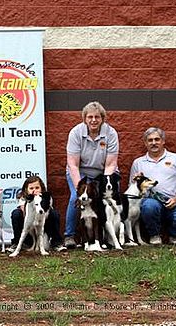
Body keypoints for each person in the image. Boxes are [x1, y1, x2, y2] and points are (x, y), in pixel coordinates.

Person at [63, 101, 119, 249]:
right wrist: (79, 188)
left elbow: (111, 164)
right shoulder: (75, 132)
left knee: (105, 199)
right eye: (90, 117)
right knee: (76, 198)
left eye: (97, 117)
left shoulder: (111, 133)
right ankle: (69, 235)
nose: (93, 120)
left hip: (103, 172)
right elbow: (73, 164)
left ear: (102, 118)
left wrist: (103, 184)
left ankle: (109, 236)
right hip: (80, 171)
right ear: (84, 118)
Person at [131, 127, 176, 245]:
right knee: (149, 206)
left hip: (175, 200)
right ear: (145, 143)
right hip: (151, 201)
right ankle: (154, 235)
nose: (154, 143)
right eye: (150, 140)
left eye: (157, 139)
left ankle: (174, 235)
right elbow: (134, 190)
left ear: (163, 141)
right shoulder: (138, 163)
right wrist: (137, 181)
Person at [9, 176, 66, 252]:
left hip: (43, 225)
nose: (34, 190)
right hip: (29, 227)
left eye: (37, 188)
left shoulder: (46, 198)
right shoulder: (23, 198)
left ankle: (56, 243)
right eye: (31, 188)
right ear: (26, 189)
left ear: (41, 188)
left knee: (54, 213)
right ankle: (17, 243)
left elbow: (46, 213)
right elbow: (25, 213)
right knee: (16, 213)